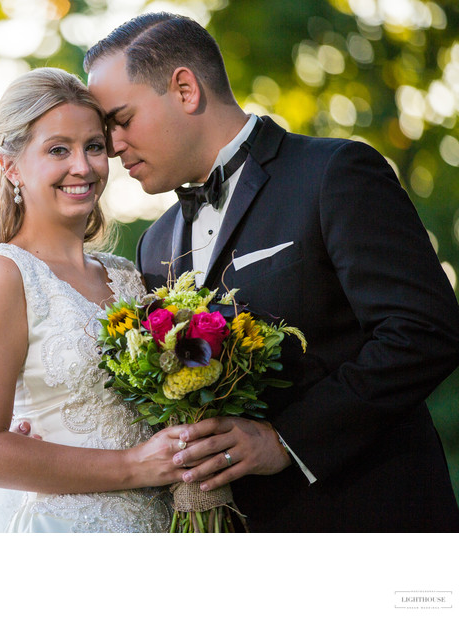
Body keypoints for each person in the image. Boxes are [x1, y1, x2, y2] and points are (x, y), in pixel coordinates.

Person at [83, 12, 459, 531]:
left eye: (121, 119)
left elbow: (425, 332)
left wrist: (286, 441)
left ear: (186, 90)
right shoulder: (153, 245)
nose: (113, 145)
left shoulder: (334, 174)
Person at [0, 67, 187, 532]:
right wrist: (136, 465)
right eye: (58, 149)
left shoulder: (126, 276)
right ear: (11, 165)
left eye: (94, 147)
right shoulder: (5, 275)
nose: (83, 166)